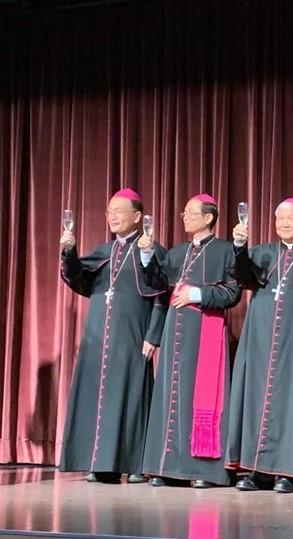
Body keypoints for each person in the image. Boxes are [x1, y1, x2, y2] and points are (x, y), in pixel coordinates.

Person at [226, 197, 293, 493]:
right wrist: (239, 248)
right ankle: (256, 471)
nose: (284, 223)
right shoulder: (261, 252)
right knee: (256, 400)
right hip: (259, 338)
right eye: (279, 219)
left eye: (290, 218)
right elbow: (244, 276)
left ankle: (288, 473)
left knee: (291, 404)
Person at [58, 188, 166, 484]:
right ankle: (100, 462)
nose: (113, 216)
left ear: (137, 216)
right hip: (99, 334)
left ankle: (135, 464)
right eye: (109, 211)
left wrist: (153, 336)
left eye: (120, 211)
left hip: (132, 335)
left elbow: (161, 295)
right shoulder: (104, 251)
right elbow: (79, 279)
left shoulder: (151, 249)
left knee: (130, 397)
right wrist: (69, 252)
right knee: (98, 397)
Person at [138, 193, 241, 488]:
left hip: (204, 329)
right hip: (174, 331)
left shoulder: (225, 251)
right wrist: (147, 258)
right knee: (171, 394)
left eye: (190, 213)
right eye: (183, 213)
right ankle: (166, 466)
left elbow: (232, 294)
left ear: (209, 217)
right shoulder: (178, 252)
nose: (184, 217)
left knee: (201, 396)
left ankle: (203, 471)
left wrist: (197, 294)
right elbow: (159, 286)